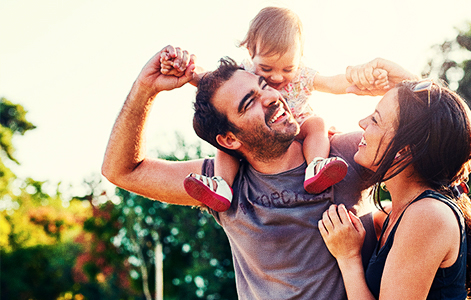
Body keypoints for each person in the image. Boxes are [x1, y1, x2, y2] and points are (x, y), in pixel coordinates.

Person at [102, 45, 417, 299]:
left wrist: (408, 81)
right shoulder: (221, 185)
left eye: (264, 86)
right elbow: (122, 171)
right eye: (249, 102)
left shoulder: (345, 154)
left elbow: (459, 156)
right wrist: (146, 87)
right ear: (229, 140)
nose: (271, 97)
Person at [159, 6, 389, 212]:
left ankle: (316, 165)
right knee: (229, 144)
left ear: (300, 57)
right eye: (266, 68)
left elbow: (331, 82)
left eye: (288, 68)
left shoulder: (302, 75)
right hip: (262, 134)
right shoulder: (244, 74)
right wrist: (183, 68)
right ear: (250, 52)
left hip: (297, 126)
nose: (277, 77)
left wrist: (360, 82)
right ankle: (222, 185)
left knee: (317, 124)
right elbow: (208, 79)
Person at [318, 77, 471, 299]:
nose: (362, 122)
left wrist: (348, 258)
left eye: (375, 120)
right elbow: (463, 147)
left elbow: (469, 149)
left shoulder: (428, 215)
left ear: (403, 150)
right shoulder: (397, 215)